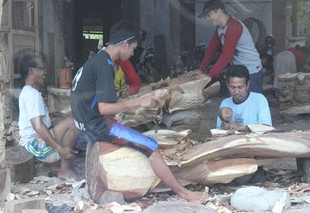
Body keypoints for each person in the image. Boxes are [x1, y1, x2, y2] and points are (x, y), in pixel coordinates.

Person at [70, 20, 208, 203]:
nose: (133, 53)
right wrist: (139, 101)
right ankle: (185, 193)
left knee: (138, 123)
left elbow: (103, 102)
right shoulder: (106, 66)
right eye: (133, 48)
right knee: (151, 146)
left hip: (83, 123)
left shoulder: (97, 60)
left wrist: (136, 106)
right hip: (97, 127)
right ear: (124, 44)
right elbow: (104, 108)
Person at [18, 54, 78, 179]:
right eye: (41, 69)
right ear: (31, 71)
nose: (44, 73)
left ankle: (57, 165)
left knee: (65, 121)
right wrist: (59, 149)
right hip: (35, 146)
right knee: (73, 122)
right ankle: (65, 169)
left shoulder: (28, 91)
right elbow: (38, 127)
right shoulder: (32, 95)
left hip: (31, 144)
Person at [193, 0, 263, 93]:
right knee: (231, 104)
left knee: (253, 104)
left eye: (209, 15)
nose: (208, 19)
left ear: (219, 11)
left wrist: (209, 76)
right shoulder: (220, 28)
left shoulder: (233, 27)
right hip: (238, 70)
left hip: (252, 72)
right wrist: (201, 69)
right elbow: (211, 49)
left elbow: (227, 55)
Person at [216, 65, 272, 131]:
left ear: (247, 85)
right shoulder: (225, 103)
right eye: (233, 87)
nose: (236, 92)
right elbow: (218, 131)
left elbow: (266, 127)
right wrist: (225, 128)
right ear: (227, 85)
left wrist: (240, 128)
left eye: (240, 87)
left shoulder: (259, 100)